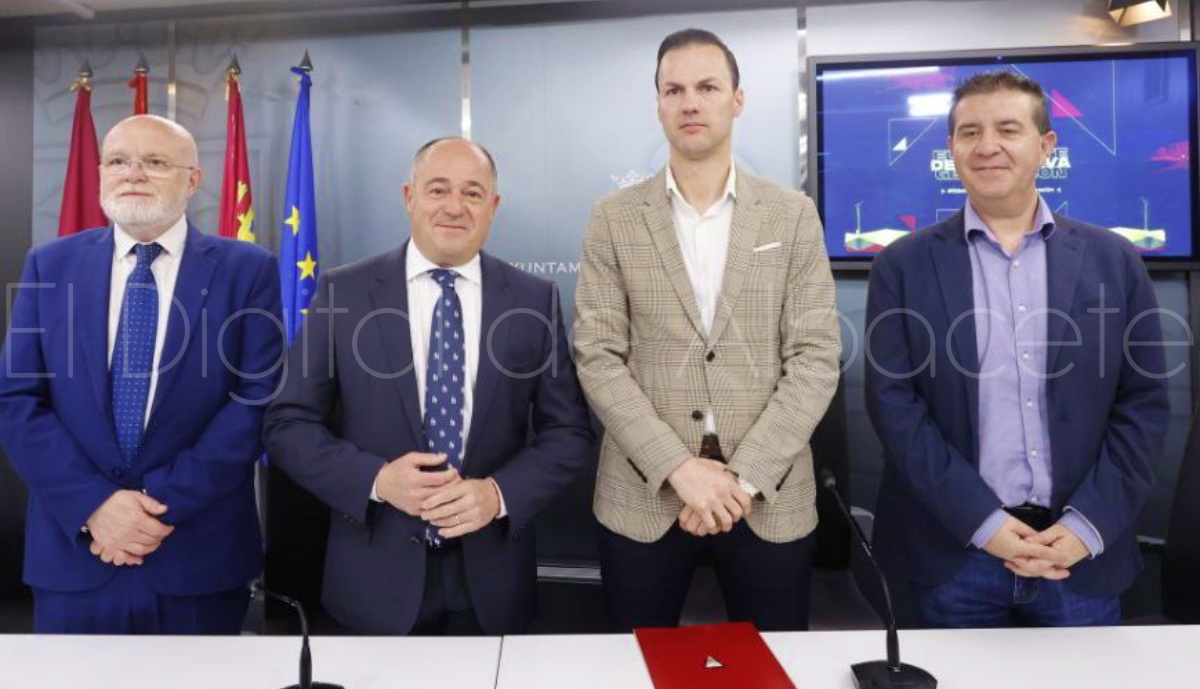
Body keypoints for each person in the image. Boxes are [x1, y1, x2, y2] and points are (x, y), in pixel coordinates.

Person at [865, 71, 1170, 627]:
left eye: (1008, 129)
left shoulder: (1114, 260)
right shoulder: (902, 266)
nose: (987, 147)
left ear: (1045, 145)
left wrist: (1085, 528)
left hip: (1077, 557)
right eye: (968, 132)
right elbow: (894, 406)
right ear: (951, 148)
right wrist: (986, 525)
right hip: (954, 558)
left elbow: (1143, 406)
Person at [263, 137, 594, 635]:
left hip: (493, 584)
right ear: (408, 196)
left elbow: (569, 433)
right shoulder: (343, 292)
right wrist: (377, 481)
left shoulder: (534, 299)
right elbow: (286, 424)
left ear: (494, 206)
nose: (455, 207)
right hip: (372, 585)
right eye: (438, 189)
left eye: (473, 193)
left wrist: (497, 494)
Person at [573, 28, 841, 631]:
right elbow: (598, 355)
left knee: (774, 666)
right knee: (634, 667)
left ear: (737, 100)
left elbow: (815, 356)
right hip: (644, 496)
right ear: (659, 104)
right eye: (674, 89)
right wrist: (679, 468)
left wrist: (740, 480)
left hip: (767, 494)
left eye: (707, 87)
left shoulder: (792, 215)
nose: (690, 102)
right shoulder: (613, 218)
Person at [0, 115, 283, 634]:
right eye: (118, 161)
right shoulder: (49, 265)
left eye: (155, 162)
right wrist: (96, 506)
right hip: (77, 555)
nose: (133, 173)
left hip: (198, 555)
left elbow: (255, 400)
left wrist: (156, 507)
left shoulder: (249, 270)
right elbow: (16, 400)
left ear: (193, 180)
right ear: (101, 172)